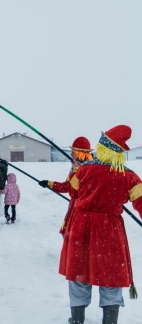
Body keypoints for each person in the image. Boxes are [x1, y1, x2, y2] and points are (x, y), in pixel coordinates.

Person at [54, 126, 142, 323]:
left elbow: (73, 193)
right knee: (111, 275)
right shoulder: (130, 177)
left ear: (102, 147)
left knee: (79, 274)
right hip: (109, 229)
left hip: (80, 227)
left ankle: (77, 320)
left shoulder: (84, 170)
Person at [38, 137, 94, 236]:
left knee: (77, 237)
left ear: (80, 154)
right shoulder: (74, 168)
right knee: (68, 235)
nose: (71, 154)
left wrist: (77, 170)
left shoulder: (91, 170)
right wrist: (49, 183)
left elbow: (77, 192)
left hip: (84, 212)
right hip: (74, 209)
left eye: (73, 152)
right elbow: (67, 187)